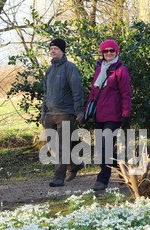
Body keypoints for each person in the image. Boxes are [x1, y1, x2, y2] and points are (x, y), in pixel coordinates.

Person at [87, 39, 132, 191]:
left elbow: (126, 94)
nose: (109, 53)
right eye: (106, 51)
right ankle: (122, 167)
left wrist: (126, 114)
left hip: (113, 115)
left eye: (112, 50)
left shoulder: (121, 70)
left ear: (116, 52)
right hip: (99, 115)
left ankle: (102, 180)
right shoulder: (99, 69)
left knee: (106, 146)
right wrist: (88, 110)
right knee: (100, 148)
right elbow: (93, 92)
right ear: (102, 53)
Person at [41, 38, 85, 187]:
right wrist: (43, 112)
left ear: (62, 51)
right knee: (52, 145)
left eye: (56, 49)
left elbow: (77, 90)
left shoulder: (70, 67)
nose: (53, 51)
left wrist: (79, 110)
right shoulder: (49, 70)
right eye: (51, 48)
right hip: (49, 114)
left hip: (66, 113)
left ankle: (58, 177)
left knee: (62, 146)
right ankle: (74, 164)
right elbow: (45, 93)